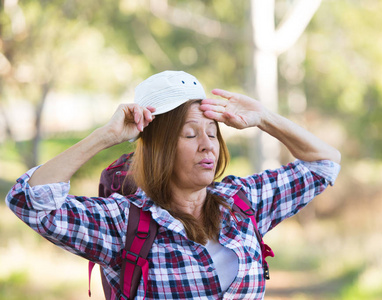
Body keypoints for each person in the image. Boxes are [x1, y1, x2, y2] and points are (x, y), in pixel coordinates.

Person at [6, 70, 341, 299]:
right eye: (191, 134)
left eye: (212, 133)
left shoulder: (241, 202)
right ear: (160, 146)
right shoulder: (122, 224)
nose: (208, 145)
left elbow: (324, 164)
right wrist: (105, 136)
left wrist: (265, 118)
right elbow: (29, 200)